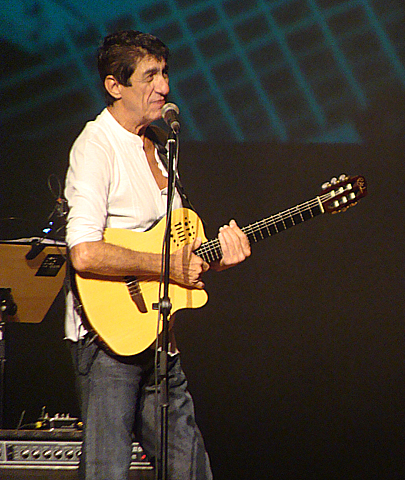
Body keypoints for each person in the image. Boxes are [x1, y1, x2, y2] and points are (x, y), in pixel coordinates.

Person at [64, 30, 251, 479]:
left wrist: (217, 258)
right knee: (107, 471)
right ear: (115, 86)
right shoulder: (96, 147)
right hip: (107, 340)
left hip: (158, 334)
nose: (164, 87)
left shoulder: (162, 147)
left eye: (164, 73)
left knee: (189, 469)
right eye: (150, 76)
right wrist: (168, 266)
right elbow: (85, 253)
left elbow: (177, 254)